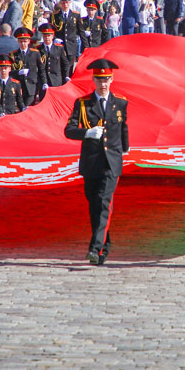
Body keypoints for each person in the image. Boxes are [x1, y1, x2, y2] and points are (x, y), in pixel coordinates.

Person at [63, 59, 129, 265]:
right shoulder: (83, 103)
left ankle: (95, 248)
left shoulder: (120, 102)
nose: (103, 84)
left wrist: (125, 148)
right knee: (95, 206)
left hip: (111, 162)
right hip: (91, 163)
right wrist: (87, 133)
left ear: (112, 79)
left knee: (104, 203)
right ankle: (103, 248)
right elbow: (68, 130)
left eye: (106, 79)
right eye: (99, 80)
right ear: (93, 80)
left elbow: (123, 127)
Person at [10, 27, 43, 107]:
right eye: (21, 41)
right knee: (20, 108)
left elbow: (41, 69)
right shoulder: (13, 55)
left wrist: (43, 82)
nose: (23, 44)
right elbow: (9, 72)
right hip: (19, 87)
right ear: (18, 41)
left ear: (29, 41)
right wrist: (18, 72)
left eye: (25, 41)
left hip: (31, 86)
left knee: (29, 108)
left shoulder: (35, 53)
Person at [37, 23, 70, 98]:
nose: (47, 38)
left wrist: (66, 76)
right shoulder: (38, 49)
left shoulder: (59, 48)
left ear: (52, 36)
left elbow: (65, 64)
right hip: (44, 81)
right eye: (45, 36)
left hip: (56, 80)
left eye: (49, 35)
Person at [50, 0, 81, 68]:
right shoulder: (55, 16)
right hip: (59, 46)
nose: (65, 5)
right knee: (60, 67)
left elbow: (81, 31)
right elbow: (51, 30)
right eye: (63, 3)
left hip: (71, 46)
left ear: (70, 3)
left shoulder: (75, 15)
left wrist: (86, 47)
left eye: (67, 2)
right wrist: (55, 38)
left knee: (70, 68)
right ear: (60, 3)